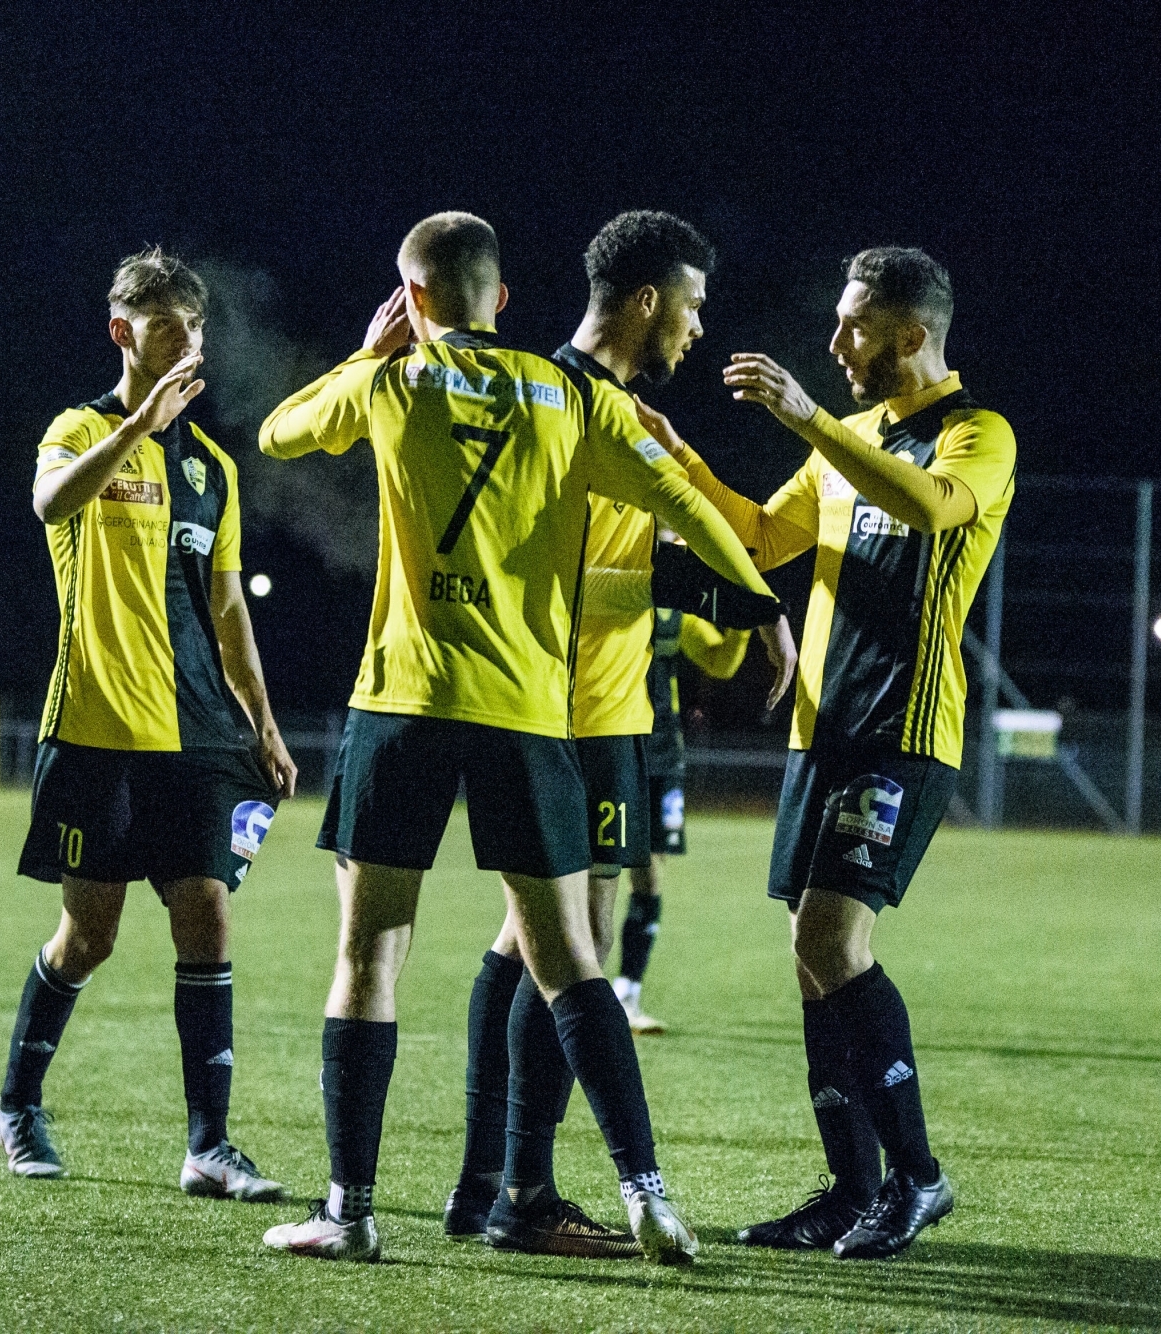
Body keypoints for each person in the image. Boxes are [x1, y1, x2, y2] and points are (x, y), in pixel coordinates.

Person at [257, 211, 786, 1264]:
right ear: (503, 299)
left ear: (412, 299)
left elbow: (278, 433)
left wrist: (373, 353)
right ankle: (645, 1189)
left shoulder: (388, 382)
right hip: (525, 711)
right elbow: (691, 504)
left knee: (367, 956)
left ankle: (350, 1212)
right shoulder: (576, 399)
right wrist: (757, 595)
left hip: (404, 701)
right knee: (567, 956)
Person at [639, 245, 1015, 1259]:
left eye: (852, 325)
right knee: (810, 957)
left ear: (909, 334)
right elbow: (761, 537)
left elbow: (931, 509)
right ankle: (851, 1189)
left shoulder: (976, 434)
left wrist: (804, 418)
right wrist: (679, 459)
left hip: (901, 731)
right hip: (822, 730)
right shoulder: (844, 440)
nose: (834, 341)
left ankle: (917, 1178)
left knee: (833, 941)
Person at [442, 211, 793, 1259]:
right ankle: (525, 1191)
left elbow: (621, 560)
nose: (694, 328)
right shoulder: (558, 401)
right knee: (564, 947)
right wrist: (731, 594)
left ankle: (487, 1184)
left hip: (606, 710)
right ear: (643, 301)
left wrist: (722, 587)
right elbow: (557, 571)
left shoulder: (616, 408)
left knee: (526, 944)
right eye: (688, 307)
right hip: (562, 712)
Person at [0, 247, 298, 1206]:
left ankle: (210, 1143)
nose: (187, 352)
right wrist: (135, 428)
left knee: (205, 908)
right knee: (91, 934)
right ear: (124, 333)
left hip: (200, 725)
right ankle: (17, 1104)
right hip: (98, 720)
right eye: (169, 334)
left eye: (197, 334)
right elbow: (49, 501)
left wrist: (265, 722)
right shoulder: (79, 430)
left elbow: (229, 607)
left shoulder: (212, 468)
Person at [613, 593, 751, 1035]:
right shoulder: (613, 590)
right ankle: (570, 993)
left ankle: (627, 994)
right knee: (592, 874)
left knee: (649, 877)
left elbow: (720, 661)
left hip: (662, 754)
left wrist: (743, 620)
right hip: (613, 744)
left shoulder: (676, 608)